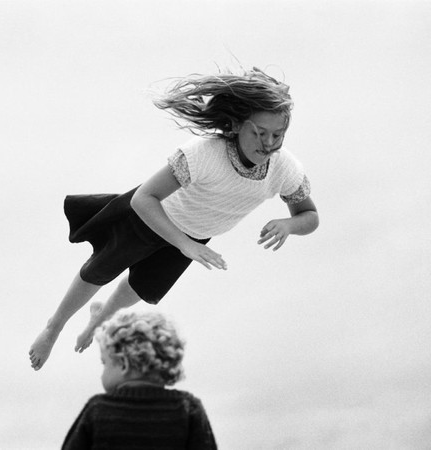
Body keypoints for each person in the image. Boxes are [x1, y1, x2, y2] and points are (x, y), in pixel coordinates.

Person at [30, 66, 319, 370]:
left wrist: (289, 225)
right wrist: (184, 245)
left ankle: (97, 322)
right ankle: (54, 327)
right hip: (150, 219)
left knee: (141, 290)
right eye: (260, 133)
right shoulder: (204, 155)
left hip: (194, 237)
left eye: (278, 135)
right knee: (99, 272)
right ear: (235, 126)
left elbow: (310, 216)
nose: (268, 144)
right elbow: (144, 198)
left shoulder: (283, 168)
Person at [61, 310, 218, 450]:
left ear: (124, 363)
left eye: (105, 363)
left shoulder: (97, 410)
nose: (102, 374)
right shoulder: (188, 408)